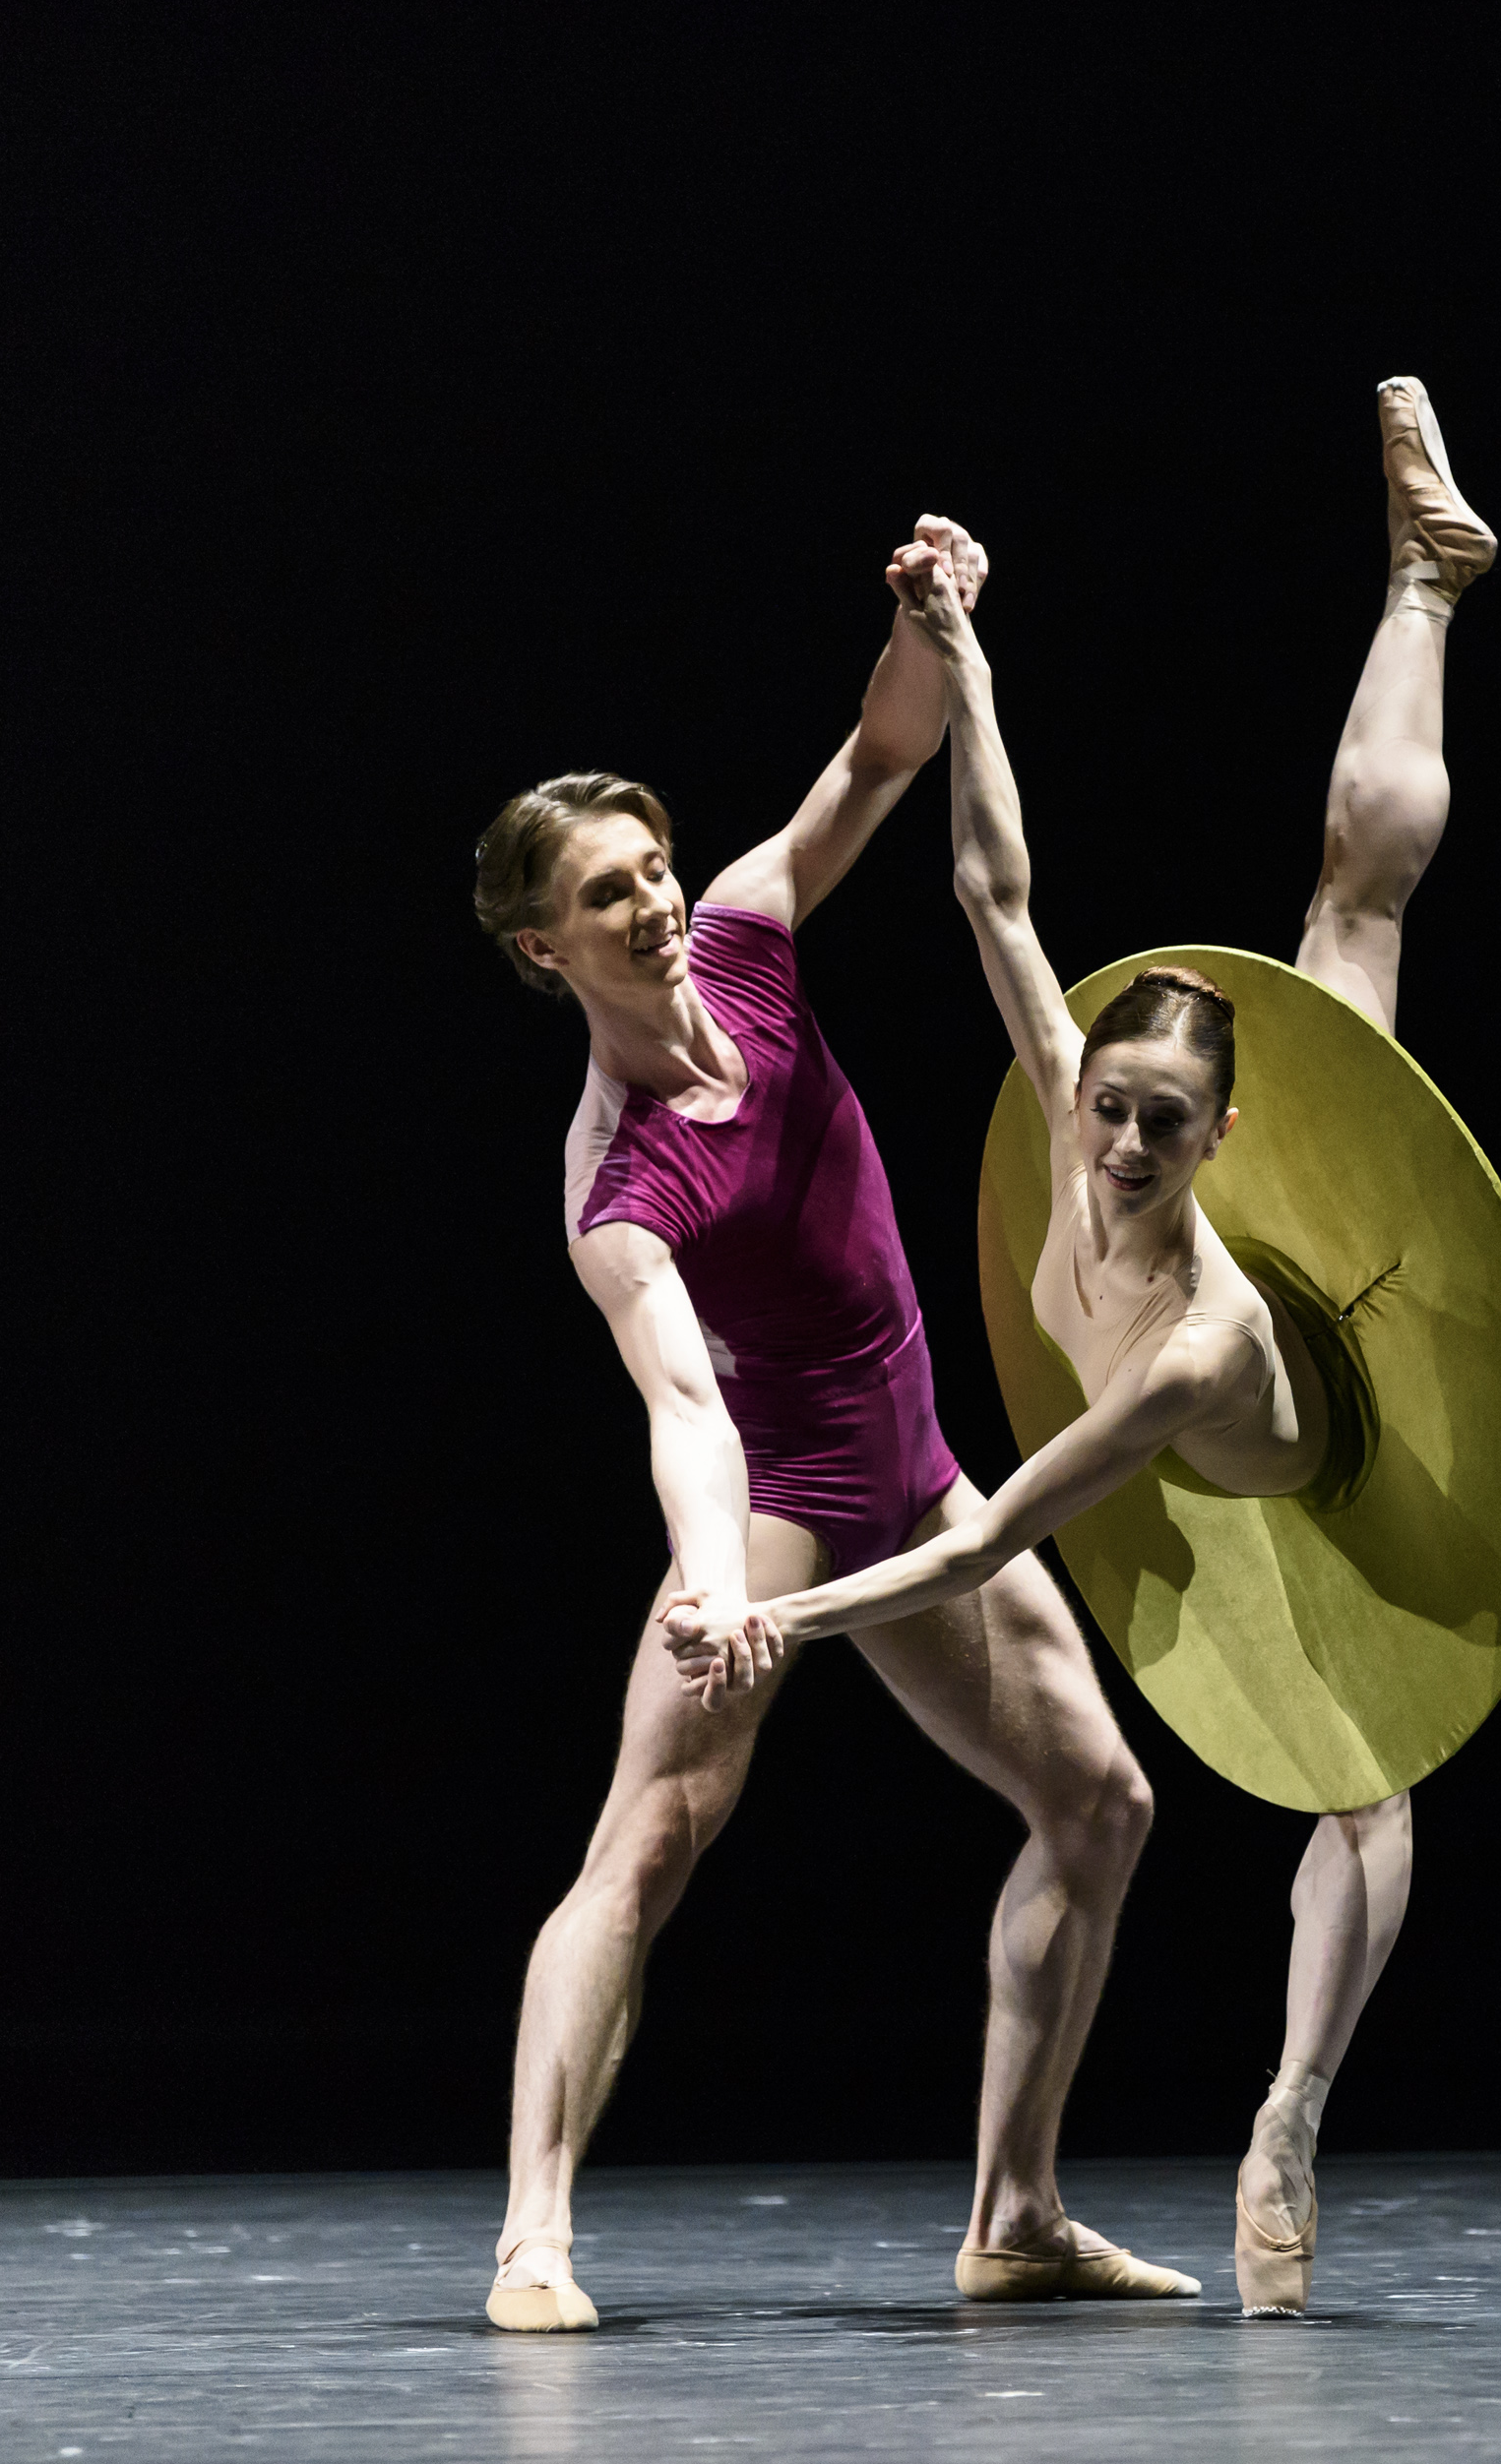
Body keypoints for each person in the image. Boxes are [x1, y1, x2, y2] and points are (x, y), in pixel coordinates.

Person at [664, 377, 1496, 2314]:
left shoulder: (1201, 1339)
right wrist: (959, 650)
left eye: (1159, 1126)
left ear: (1223, 1137)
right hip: (1190, 1446)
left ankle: (1288, 2116)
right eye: (1107, 1106)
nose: (1115, 1146)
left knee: (1364, 1787)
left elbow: (982, 1540)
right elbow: (992, 888)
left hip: (1323, 1454)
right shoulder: (1073, 1113)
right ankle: (1433, 577)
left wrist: (780, 1621)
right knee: (1348, 886)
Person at [469, 527, 1199, 2330]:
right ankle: (533, 2237)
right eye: (609, 895)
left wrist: (923, 617)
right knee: (648, 1840)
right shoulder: (615, 1184)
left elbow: (879, 756)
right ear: (543, 945)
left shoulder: (746, 930)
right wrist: (715, 1581)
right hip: (782, 1496)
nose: (653, 903)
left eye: (652, 864)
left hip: (916, 1467)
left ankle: (1015, 2214)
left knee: (1100, 1802)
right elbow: (688, 1401)